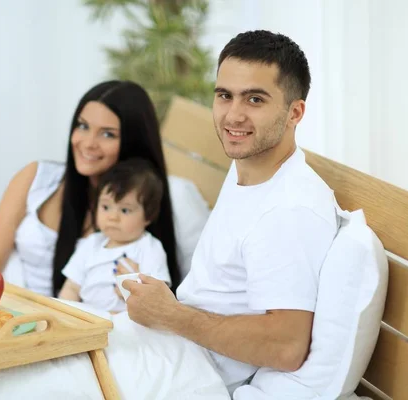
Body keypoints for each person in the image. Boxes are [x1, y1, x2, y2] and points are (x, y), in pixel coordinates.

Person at [120, 30, 339, 395]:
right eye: (224, 96)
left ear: (294, 113)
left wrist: (170, 314)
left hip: (189, 371)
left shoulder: (289, 210)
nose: (232, 116)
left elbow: (286, 346)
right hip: (168, 348)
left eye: (255, 99)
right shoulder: (249, 166)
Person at [0, 80, 181, 298]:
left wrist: (139, 294)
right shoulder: (36, 178)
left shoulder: (144, 209)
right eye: (83, 126)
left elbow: (161, 300)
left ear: (133, 142)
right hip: (19, 312)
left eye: (108, 134)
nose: (88, 143)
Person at [58, 158, 171, 313]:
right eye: (106, 207)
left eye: (125, 210)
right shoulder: (91, 244)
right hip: (86, 318)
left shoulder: (149, 248)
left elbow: (159, 300)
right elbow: (71, 287)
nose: (113, 217)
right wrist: (63, 313)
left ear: (148, 216)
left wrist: (135, 288)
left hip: (127, 322)